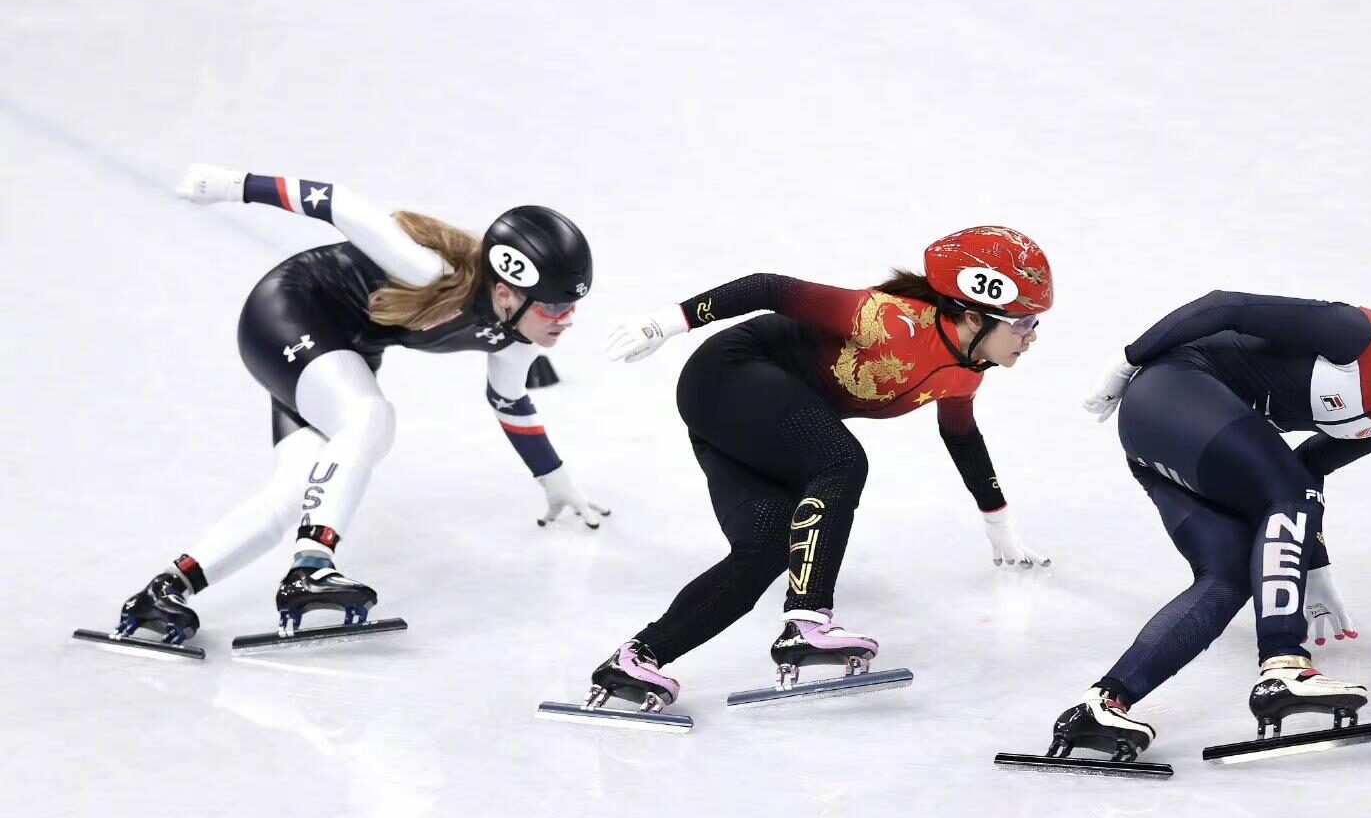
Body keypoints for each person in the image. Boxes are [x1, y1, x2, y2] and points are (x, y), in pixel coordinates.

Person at [98, 163, 608, 649]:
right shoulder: (429, 269)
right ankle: (311, 567)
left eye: (572, 305)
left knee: (295, 493)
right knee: (370, 418)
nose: (566, 319)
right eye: (555, 306)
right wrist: (233, 185)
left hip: (341, 356)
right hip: (286, 311)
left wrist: (554, 480)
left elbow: (509, 401)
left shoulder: (515, 339)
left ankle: (166, 590)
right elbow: (336, 202)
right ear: (505, 293)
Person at [1050, 263, 1371, 758]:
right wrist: (1125, 363)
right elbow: (1224, 306)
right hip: (1172, 390)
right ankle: (1284, 666)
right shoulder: (1362, 335)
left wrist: (1313, 563)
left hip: (1172, 445)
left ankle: (1102, 703)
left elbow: (1306, 468)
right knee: (1286, 492)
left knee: (1228, 575)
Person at [577, 226, 1055, 713]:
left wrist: (999, 523)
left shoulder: (966, 371)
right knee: (841, 461)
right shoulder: (888, 320)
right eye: (1023, 323)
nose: (1032, 337)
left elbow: (961, 436)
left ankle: (636, 657)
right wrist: (665, 323)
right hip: (729, 374)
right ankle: (806, 622)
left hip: (745, 419)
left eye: (1036, 323)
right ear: (975, 316)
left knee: (766, 547)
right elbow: (768, 288)